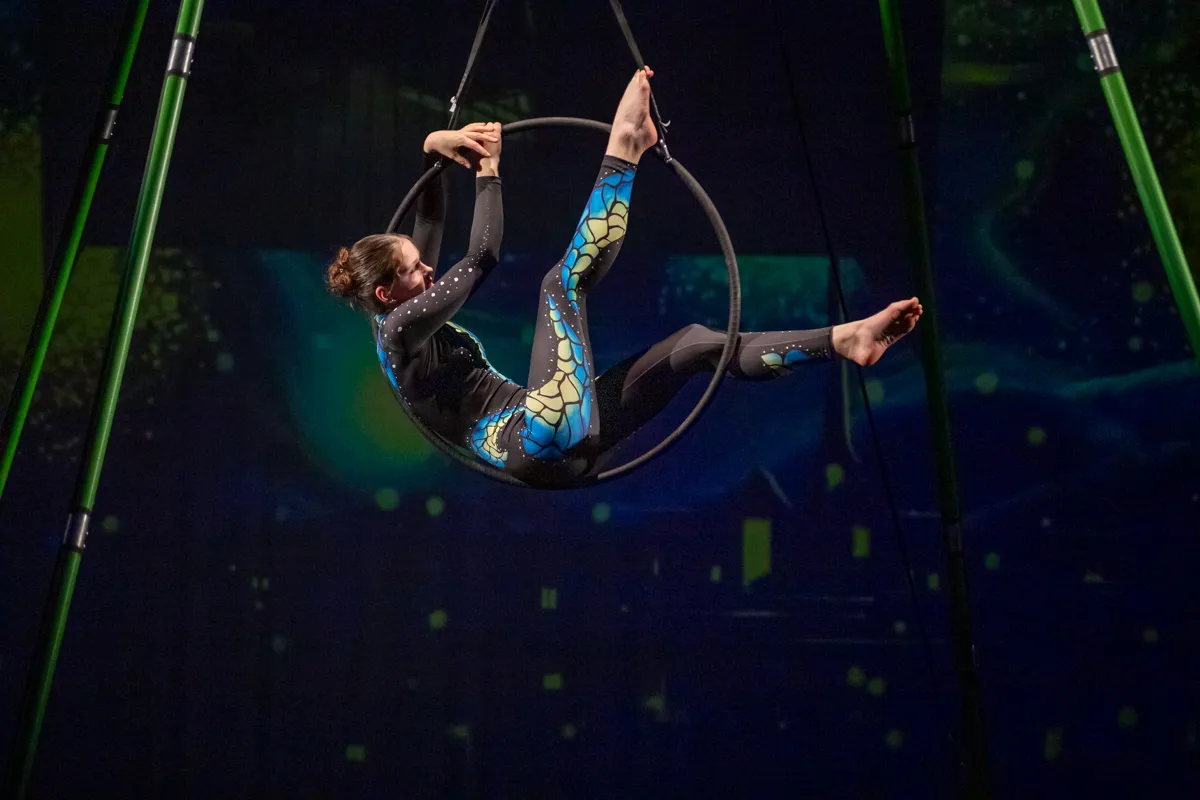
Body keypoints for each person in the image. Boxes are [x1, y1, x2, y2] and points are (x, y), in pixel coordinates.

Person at [326, 68, 923, 484]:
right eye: (414, 268)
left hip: (566, 442)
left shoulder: (410, 302)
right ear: (386, 294)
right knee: (559, 285)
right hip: (537, 436)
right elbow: (480, 257)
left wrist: (435, 143)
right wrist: (487, 171)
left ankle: (845, 340)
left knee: (690, 344)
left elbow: (429, 214)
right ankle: (624, 151)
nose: (428, 267)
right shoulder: (399, 332)